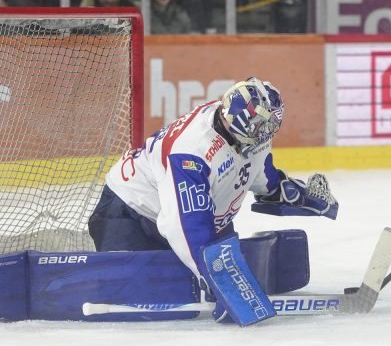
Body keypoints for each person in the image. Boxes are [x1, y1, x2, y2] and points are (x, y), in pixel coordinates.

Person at [88, 78, 338, 325]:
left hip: (196, 215)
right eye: (263, 126)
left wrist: (295, 194)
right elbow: (185, 225)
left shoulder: (249, 131)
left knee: (197, 275)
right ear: (244, 123)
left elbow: (262, 175)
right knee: (135, 295)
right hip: (130, 210)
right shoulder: (192, 151)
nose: (268, 132)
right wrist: (218, 281)